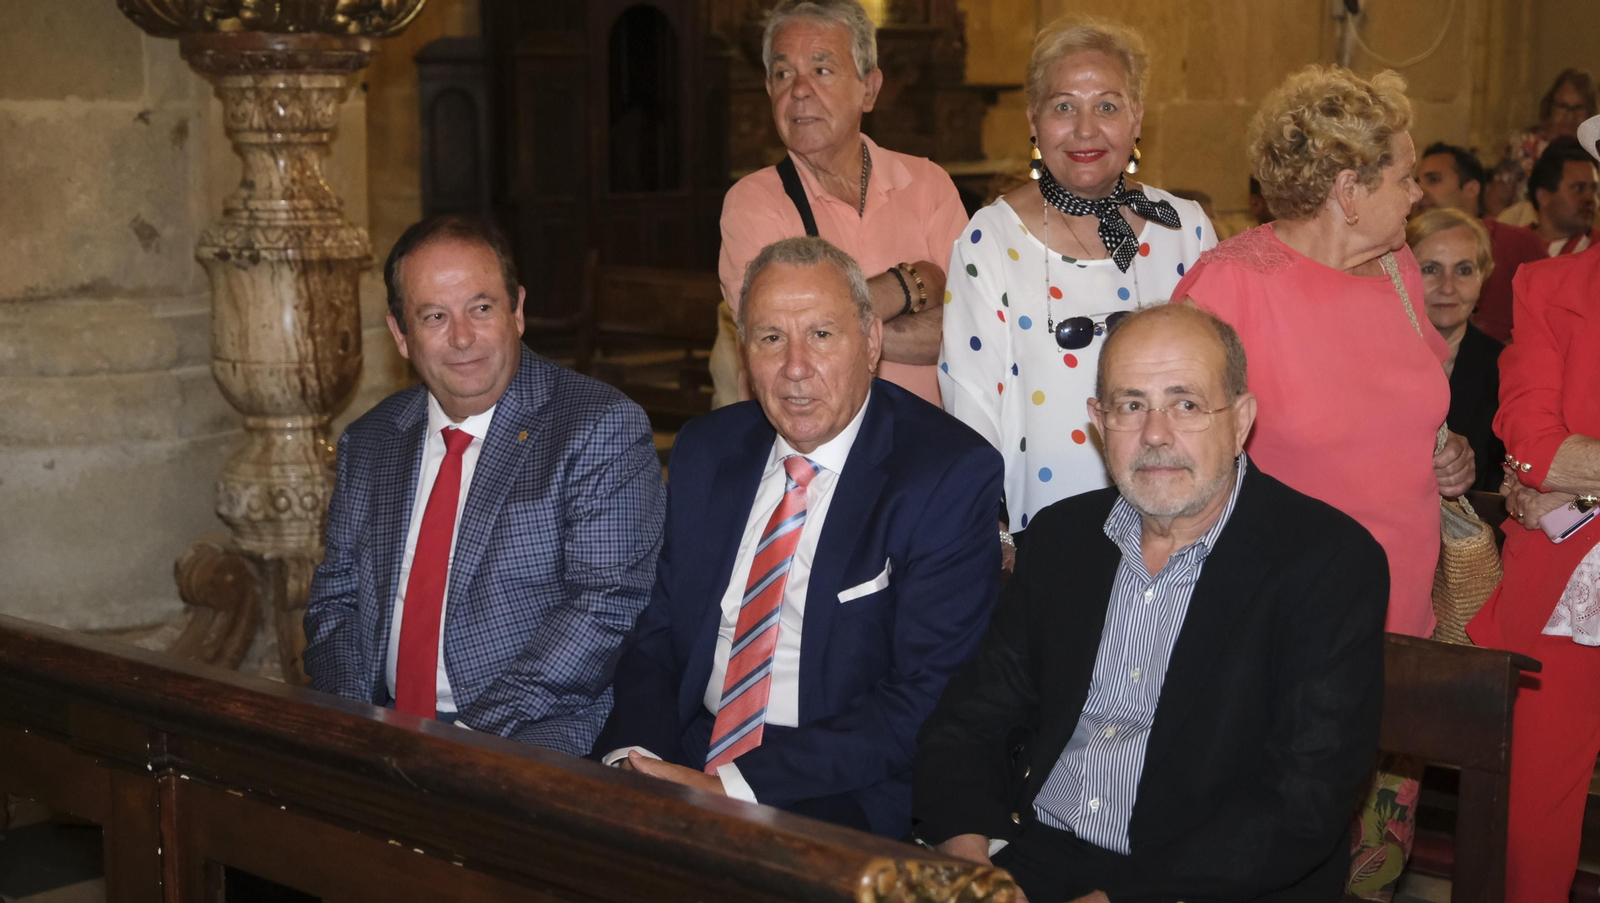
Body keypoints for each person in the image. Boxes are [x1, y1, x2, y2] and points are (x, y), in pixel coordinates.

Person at [914, 304, 1388, 902]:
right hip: (1030, 856)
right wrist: (965, 852)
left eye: (1186, 404)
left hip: (1207, 882)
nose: (1156, 433)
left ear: (1240, 421)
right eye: (1131, 404)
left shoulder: (1327, 563)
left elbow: (1303, 801)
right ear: (1097, 420)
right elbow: (972, 717)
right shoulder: (1064, 540)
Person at [595, 237, 1003, 838]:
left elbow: (924, 695)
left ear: (870, 343)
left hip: (839, 782)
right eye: (770, 338)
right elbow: (656, 636)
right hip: (687, 745)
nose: (794, 367)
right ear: (744, 352)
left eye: (821, 335)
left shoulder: (946, 473)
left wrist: (731, 787)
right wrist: (635, 758)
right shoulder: (708, 451)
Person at [302, 216, 666, 756]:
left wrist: (465, 740)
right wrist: (360, 726)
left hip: (532, 733)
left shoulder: (597, 426)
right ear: (401, 335)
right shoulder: (372, 440)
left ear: (517, 311)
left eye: (481, 307)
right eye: (434, 316)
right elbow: (335, 600)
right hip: (382, 723)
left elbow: (604, 605)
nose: (463, 337)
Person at [1173, 65, 1472, 639]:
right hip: (1283, 622)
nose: (1419, 193)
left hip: (1405, 616)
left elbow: (1399, 409)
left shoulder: (1398, 268)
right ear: (1348, 192)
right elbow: (1180, 467)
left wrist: (1446, 447)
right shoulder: (1227, 289)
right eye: (1406, 177)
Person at [939, 17, 1215, 548]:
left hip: (1178, 525)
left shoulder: (1186, 227)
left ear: (1137, 119)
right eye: (1064, 106)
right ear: (1034, 121)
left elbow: (1216, 391)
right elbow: (970, 412)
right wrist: (990, 540)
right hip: (1042, 536)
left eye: (1107, 106)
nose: (1085, 130)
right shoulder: (989, 238)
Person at [708, 0, 967, 410]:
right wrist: (914, 283)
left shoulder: (927, 184)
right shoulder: (751, 203)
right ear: (769, 90)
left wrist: (827, 325)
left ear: (869, 89)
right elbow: (778, 340)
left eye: (821, 70)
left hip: (931, 451)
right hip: (813, 453)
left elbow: (972, 332)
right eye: (782, 73)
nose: (799, 90)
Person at [1466, 113, 1600, 903]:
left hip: (1568, 523)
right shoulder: (1547, 285)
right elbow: (1532, 444)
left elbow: (1560, 460)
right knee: (1532, 816)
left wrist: (1577, 470)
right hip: (1562, 582)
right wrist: (1550, 469)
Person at [1406, 208, 1506, 492]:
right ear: (1402, 275)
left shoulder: (1506, 368)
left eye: (1463, 270)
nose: (1447, 287)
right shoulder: (1371, 362)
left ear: (1483, 277)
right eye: (1430, 269)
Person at [1411, 141, 1547, 342]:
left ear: (1472, 189)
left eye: (1433, 180)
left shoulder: (1516, 241)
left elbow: (1550, 321)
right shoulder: (1401, 245)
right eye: (1430, 269)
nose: (1419, 192)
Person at [1487, 68, 1596, 220]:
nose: (1570, 116)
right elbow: (1495, 201)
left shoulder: (1595, 151)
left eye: (1578, 108)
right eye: (1563, 107)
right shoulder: (1523, 146)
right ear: (1550, 107)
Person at [1525, 136, 1599, 256]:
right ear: (1543, 196)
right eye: (1578, 188)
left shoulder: (1596, 248)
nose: (1590, 199)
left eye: (1594, 189)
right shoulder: (1512, 247)